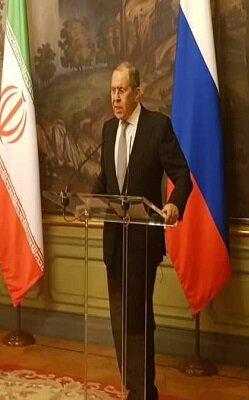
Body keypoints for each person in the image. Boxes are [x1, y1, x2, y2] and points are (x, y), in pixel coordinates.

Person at [92, 62, 192, 399]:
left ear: (138, 92)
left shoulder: (157, 126)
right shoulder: (108, 130)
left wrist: (175, 204)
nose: (115, 98)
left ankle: (144, 391)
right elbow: (105, 181)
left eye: (121, 90)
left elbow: (182, 176)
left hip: (142, 242)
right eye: (112, 91)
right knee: (120, 321)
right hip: (114, 242)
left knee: (137, 319)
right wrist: (86, 203)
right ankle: (132, 387)